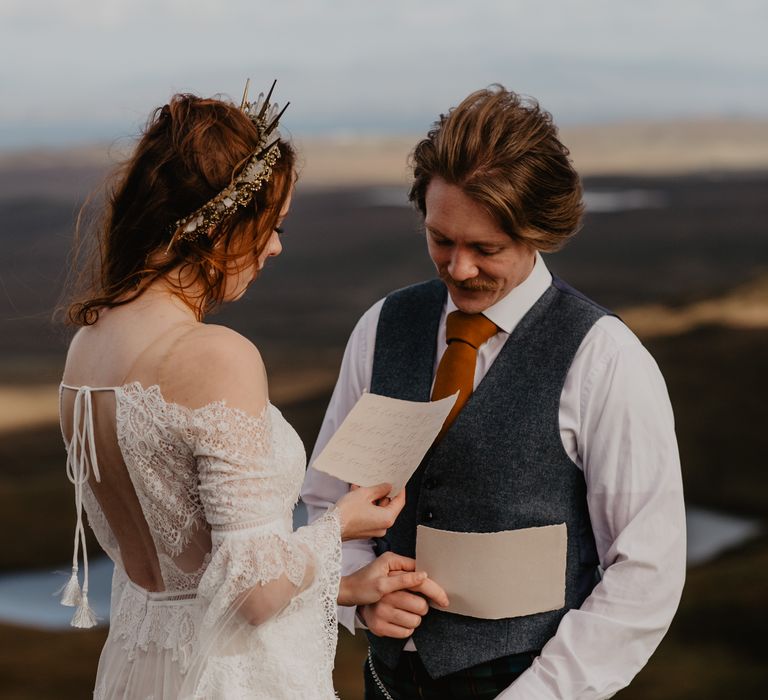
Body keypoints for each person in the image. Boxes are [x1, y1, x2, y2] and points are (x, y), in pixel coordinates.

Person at [57, 83, 445, 699]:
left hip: (142, 669)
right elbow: (255, 593)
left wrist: (346, 587)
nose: (275, 246)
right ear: (218, 223)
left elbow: (184, 576)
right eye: (271, 224)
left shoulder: (89, 345)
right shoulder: (216, 356)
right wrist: (339, 524)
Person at [301, 85, 687, 699]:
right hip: (386, 682)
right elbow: (327, 502)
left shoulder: (605, 359)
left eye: (485, 249)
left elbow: (646, 573)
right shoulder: (382, 327)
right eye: (440, 239)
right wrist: (358, 597)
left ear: (540, 232)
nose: (458, 268)